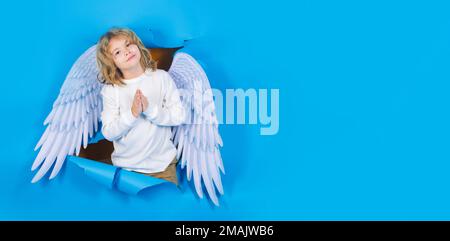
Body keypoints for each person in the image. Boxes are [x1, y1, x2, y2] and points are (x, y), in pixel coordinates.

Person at [96, 27, 186, 185]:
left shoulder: (161, 78)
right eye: (117, 52)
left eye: (128, 44)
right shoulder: (111, 90)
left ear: (137, 45)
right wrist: (132, 113)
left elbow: (178, 116)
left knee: (167, 207)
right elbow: (109, 132)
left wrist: (151, 110)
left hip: (162, 168)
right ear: (111, 63)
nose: (126, 51)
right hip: (126, 169)